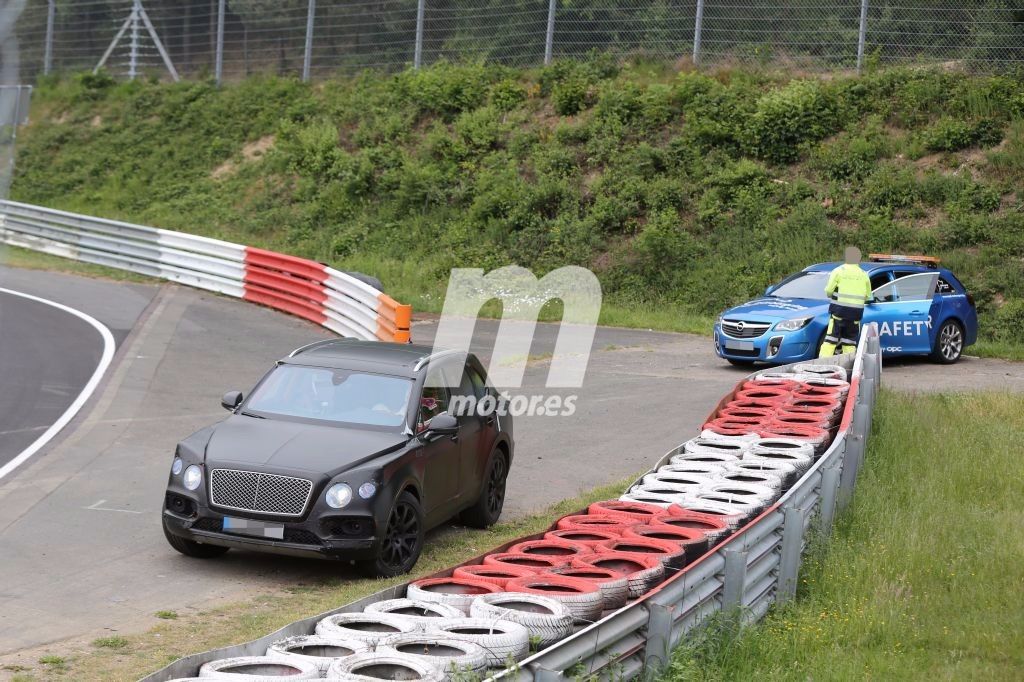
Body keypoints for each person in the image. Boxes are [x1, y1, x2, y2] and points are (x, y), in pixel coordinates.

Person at [819, 246, 872, 357]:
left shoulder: (838, 271)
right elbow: (868, 297)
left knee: (830, 340)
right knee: (849, 342)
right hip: (855, 315)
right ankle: (849, 366)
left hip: (839, 313)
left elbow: (828, 291)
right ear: (859, 259)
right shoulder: (864, 274)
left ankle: (823, 365)